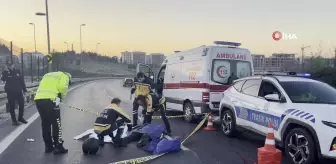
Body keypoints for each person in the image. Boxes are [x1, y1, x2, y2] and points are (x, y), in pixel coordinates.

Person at [34, 71, 72, 154]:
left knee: (45, 123)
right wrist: (61, 97)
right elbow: (62, 87)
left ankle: (48, 147)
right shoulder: (64, 75)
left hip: (38, 100)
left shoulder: (47, 74)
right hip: (51, 100)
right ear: (68, 78)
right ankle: (58, 146)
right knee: (56, 123)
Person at [1, 61, 27, 125]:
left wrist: (24, 90)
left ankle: (20, 117)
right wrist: (6, 71)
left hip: (18, 91)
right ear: (7, 66)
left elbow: (22, 81)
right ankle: (14, 120)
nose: (10, 66)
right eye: (8, 65)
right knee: (12, 107)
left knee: (22, 105)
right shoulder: (5, 72)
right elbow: (3, 79)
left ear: (13, 65)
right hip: (10, 92)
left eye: (11, 65)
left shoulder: (18, 71)